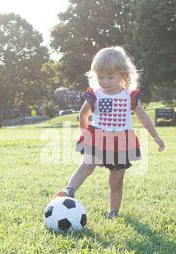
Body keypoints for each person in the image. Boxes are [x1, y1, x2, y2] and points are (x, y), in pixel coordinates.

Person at [52, 46, 165, 218]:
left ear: (123, 75)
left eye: (110, 77)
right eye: (100, 77)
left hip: (121, 141)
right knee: (86, 164)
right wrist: (84, 133)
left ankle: (113, 212)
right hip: (98, 136)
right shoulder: (95, 95)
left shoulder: (129, 97)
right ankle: (69, 190)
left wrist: (155, 136)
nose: (104, 81)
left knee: (116, 180)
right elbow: (84, 113)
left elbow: (143, 117)